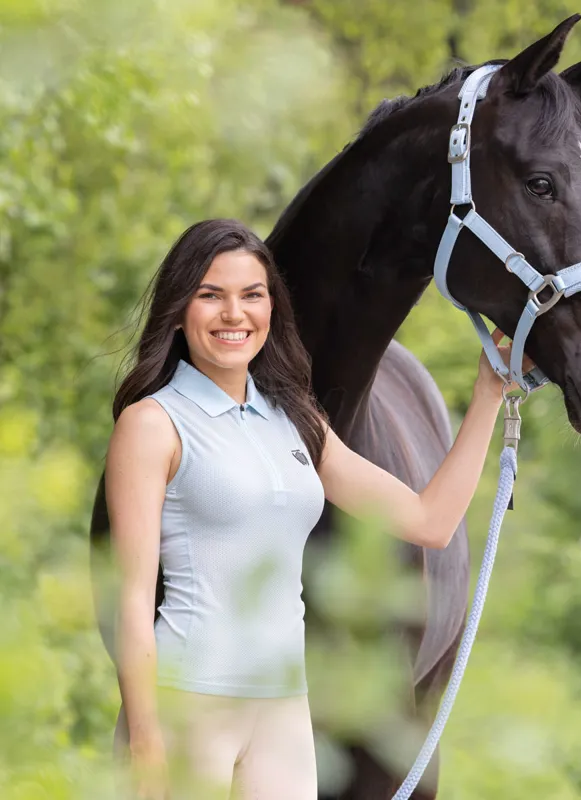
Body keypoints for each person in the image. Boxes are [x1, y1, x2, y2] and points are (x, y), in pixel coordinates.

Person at [105, 218, 532, 799]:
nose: (234, 314)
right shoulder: (153, 425)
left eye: (252, 296)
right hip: (190, 702)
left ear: (273, 310)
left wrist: (488, 394)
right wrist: (146, 744)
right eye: (211, 295)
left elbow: (429, 521)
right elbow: (131, 601)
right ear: (180, 310)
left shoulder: (298, 422)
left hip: (283, 710)